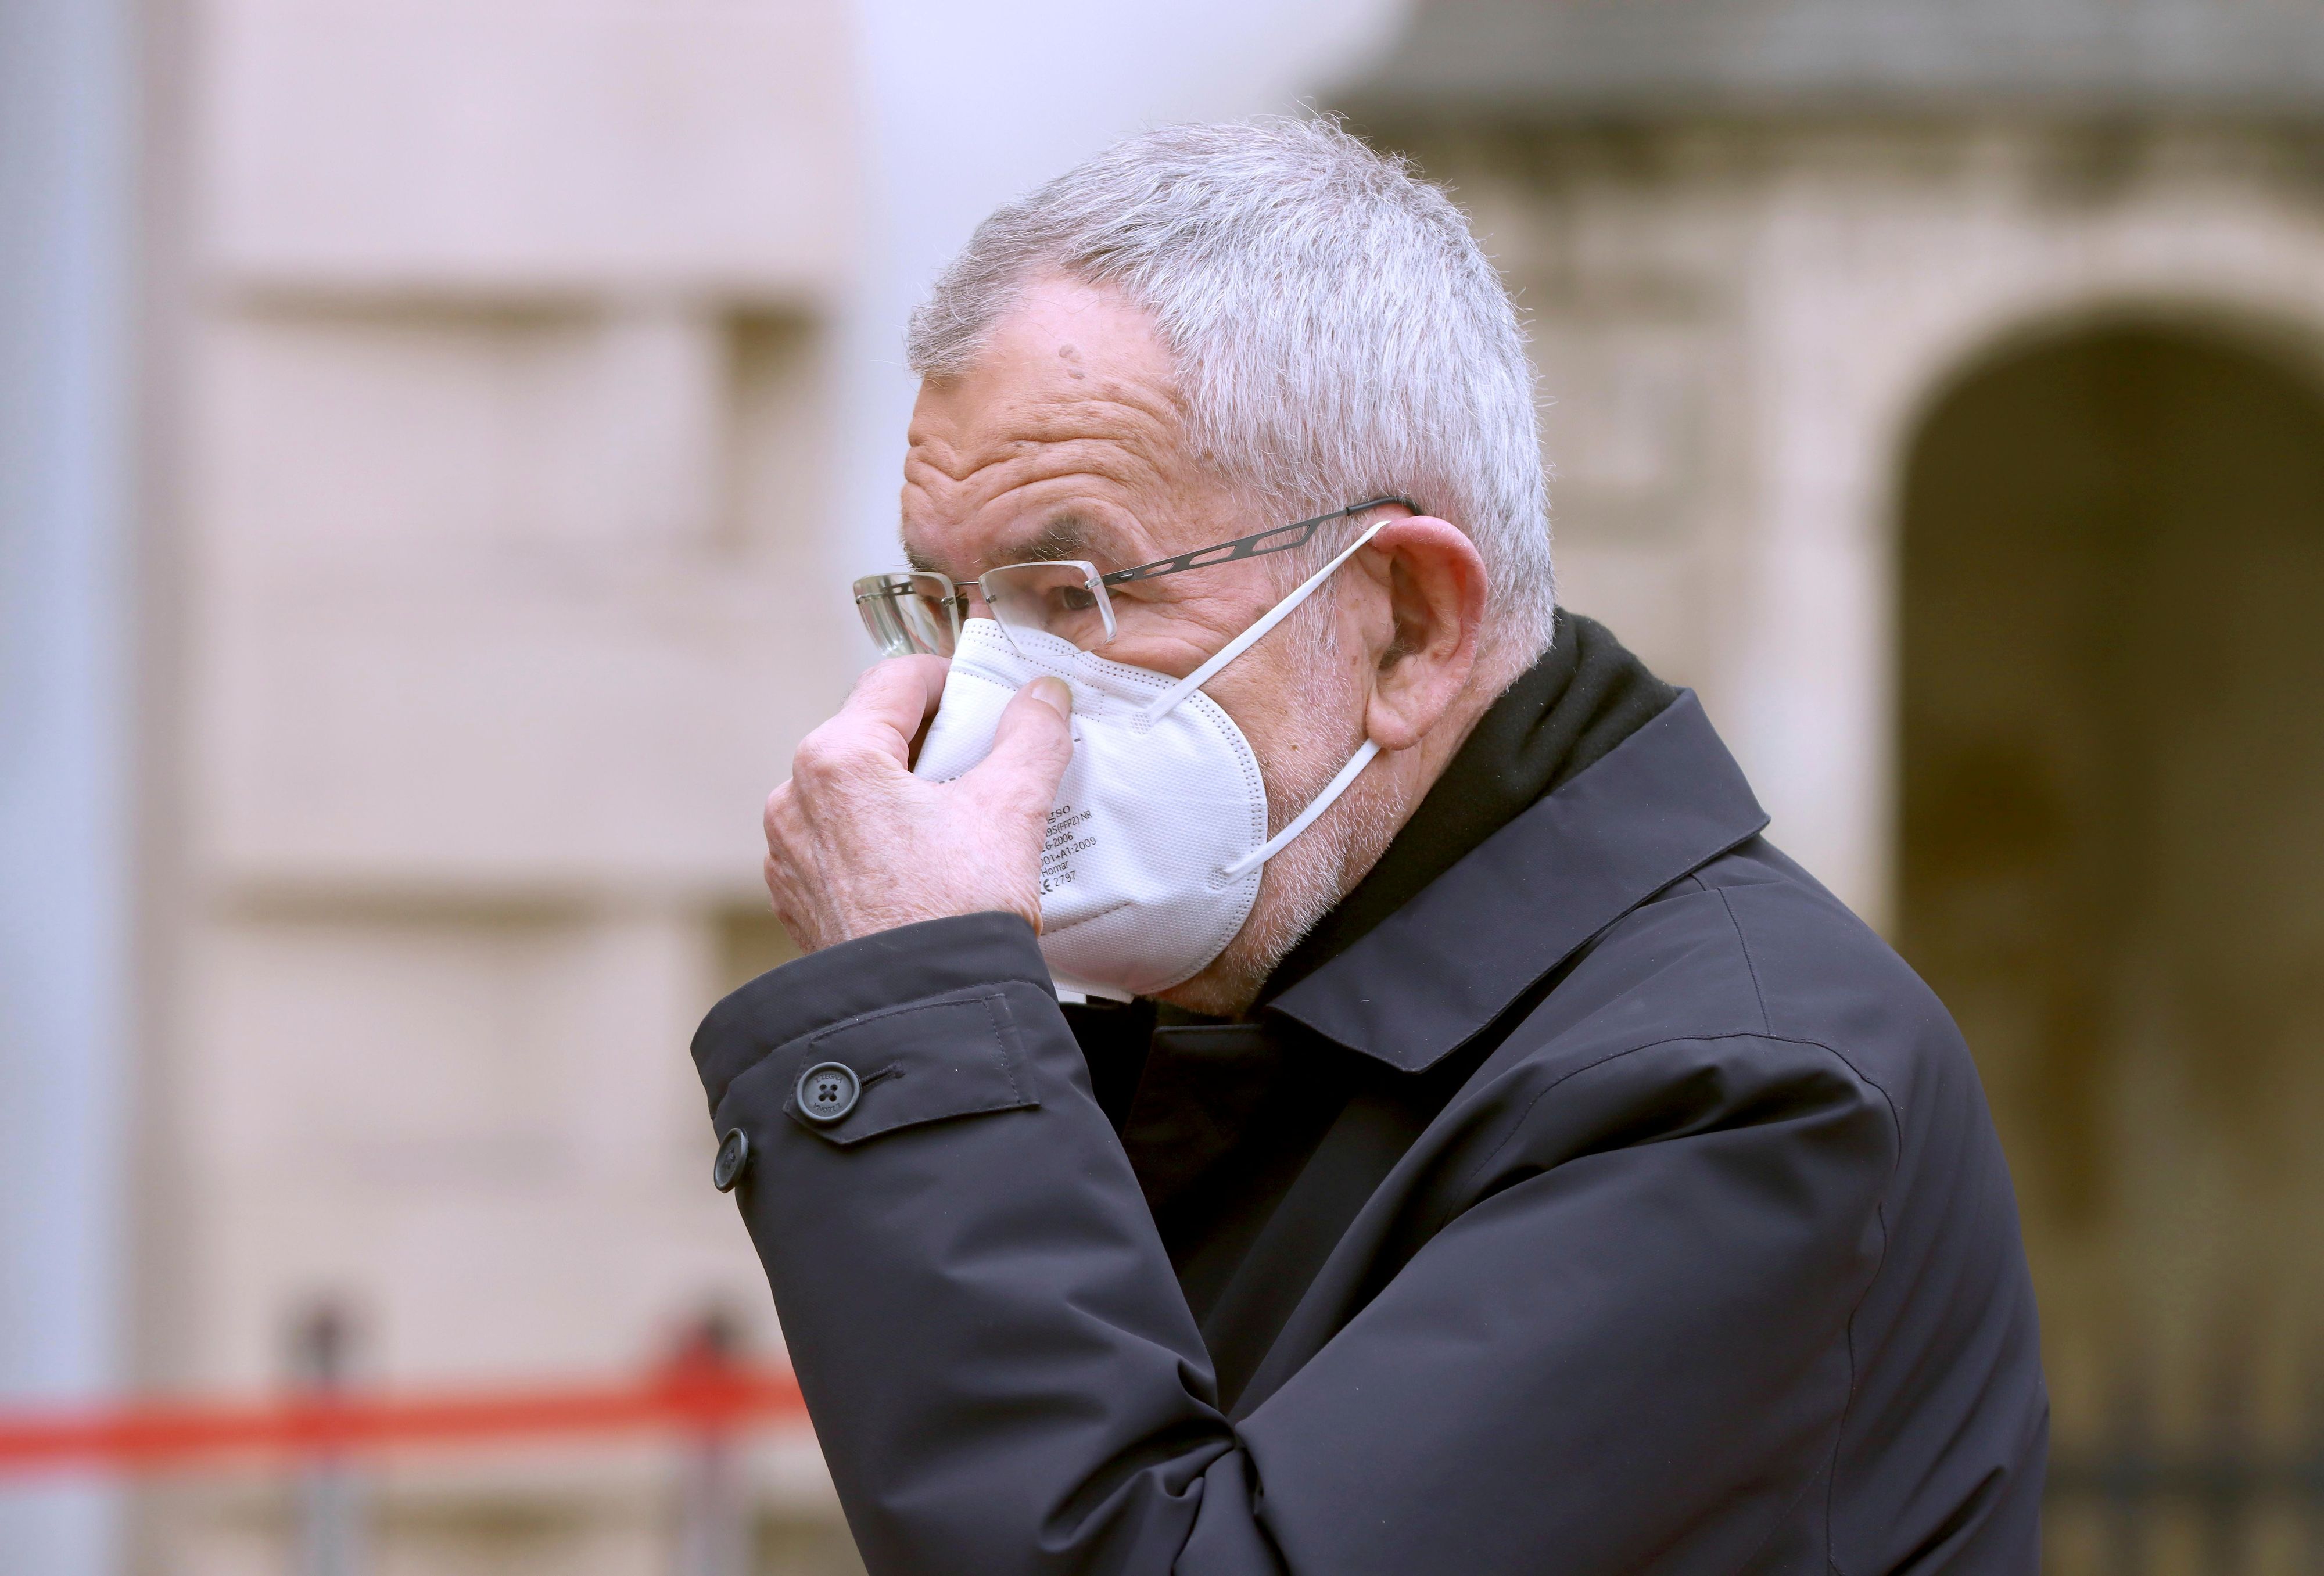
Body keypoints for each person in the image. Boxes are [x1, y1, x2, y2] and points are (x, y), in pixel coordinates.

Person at [691, 119, 2045, 1574]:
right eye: (950, 610)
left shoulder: (1736, 1093)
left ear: (1405, 623)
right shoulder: (1262, 1007)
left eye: (1075, 595)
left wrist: (925, 1032)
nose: (975, 711)